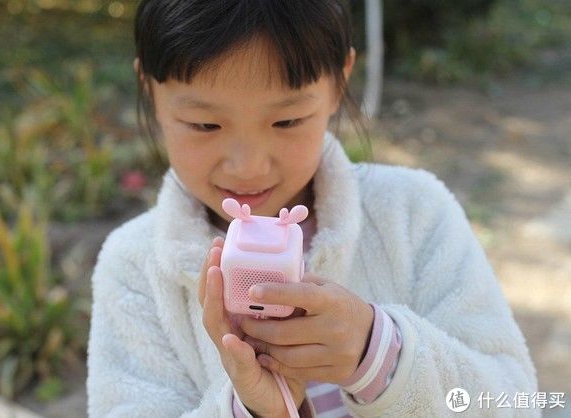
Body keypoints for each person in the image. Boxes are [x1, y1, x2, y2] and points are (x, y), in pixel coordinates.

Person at [86, 1, 538, 417]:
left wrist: (377, 355)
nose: (248, 167)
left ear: (340, 80)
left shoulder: (414, 214)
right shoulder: (135, 269)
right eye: (205, 124)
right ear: (149, 88)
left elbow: (516, 399)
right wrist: (255, 409)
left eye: (286, 121)